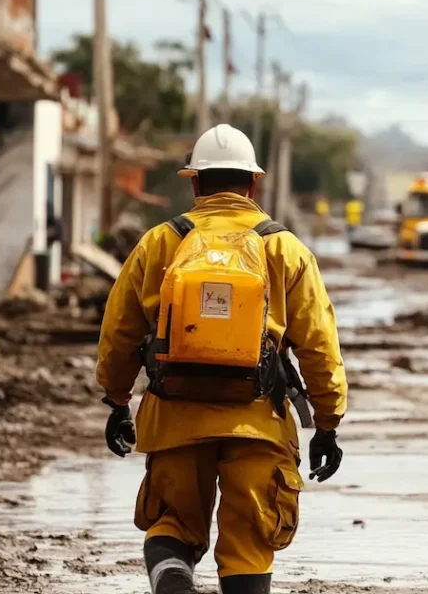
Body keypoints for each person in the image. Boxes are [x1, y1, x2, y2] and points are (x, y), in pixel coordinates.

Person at [96, 124, 348, 594]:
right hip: (258, 424)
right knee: (250, 542)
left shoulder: (159, 243)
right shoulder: (284, 248)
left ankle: (173, 579)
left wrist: (116, 401)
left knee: (172, 523)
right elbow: (318, 344)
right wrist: (328, 423)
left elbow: (119, 333)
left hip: (174, 417)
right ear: (254, 184)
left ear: (194, 182)